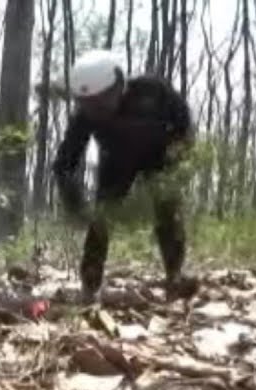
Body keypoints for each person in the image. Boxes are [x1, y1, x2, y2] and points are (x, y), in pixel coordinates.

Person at [53, 49, 199, 303]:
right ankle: (90, 283)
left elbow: (183, 121)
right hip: (116, 163)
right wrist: (73, 202)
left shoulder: (153, 91)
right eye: (89, 105)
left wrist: (179, 157)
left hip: (160, 158)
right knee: (102, 217)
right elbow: (65, 161)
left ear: (119, 83)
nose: (97, 111)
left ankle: (175, 275)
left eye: (103, 101)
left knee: (167, 210)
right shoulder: (85, 117)